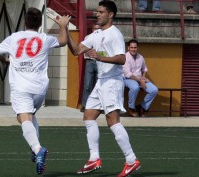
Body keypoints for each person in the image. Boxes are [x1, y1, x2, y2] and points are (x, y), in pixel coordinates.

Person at [0, 8, 70, 175]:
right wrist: (63, 26)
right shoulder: (44, 38)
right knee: (31, 115)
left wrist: (5, 59)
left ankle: (37, 149)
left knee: (23, 118)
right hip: (40, 89)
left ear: (25, 22)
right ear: (40, 24)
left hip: (21, 87)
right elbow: (62, 41)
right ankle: (35, 149)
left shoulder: (14, 37)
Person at [67, 1, 140, 177]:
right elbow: (76, 50)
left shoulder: (114, 34)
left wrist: (100, 58)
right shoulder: (96, 34)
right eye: (97, 11)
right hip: (101, 83)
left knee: (112, 121)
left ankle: (131, 160)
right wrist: (65, 30)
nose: (97, 14)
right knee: (88, 116)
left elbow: (122, 59)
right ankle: (94, 158)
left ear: (111, 15)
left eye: (101, 12)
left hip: (112, 82)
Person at [123, 39, 158, 117]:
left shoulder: (140, 57)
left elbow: (144, 68)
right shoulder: (125, 57)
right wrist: (141, 81)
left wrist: (143, 77)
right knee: (135, 87)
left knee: (154, 90)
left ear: (137, 48)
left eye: (135, 47)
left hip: (139, 79)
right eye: (131, 47)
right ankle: (131, 108)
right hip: (127, 79)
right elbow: (128, 74)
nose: (133, 49)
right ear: (128, 48)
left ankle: (142, 107)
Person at [80, 22, 101, 112]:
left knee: (98, 85)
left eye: (98, 28)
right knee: (87, 85)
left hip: (100, 62)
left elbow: (104, 52)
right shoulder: (88, 37)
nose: (96, 30)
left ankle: (97, 105)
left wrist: (97, 54)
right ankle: (85, 105)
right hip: (90, 61)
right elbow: (86, 51)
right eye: (95, 28)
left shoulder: (103, 38)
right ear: (92, 29)